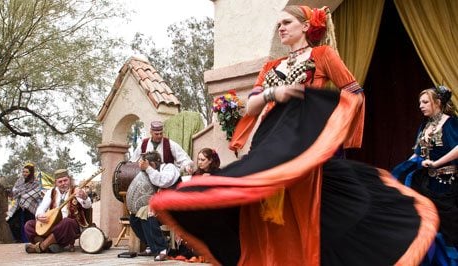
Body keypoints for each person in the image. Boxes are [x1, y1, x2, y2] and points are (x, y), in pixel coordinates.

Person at [149, 5, 438, 266]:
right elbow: (251, 105)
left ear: (305, 26)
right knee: (267, 210)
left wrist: (328, 117)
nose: (281, 28)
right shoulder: (270, 68)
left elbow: (354, 92)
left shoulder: (322, 55)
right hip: (272, 143)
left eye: (287, 22)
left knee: (319, 214)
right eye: (278, 25)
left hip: (308, 144)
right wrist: (275, 92)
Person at [393, 85, 457, 265]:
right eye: (420, 102)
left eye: (425, 102)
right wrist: (404, 167)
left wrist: (436, 163)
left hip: (446, 184)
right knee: (427, 225)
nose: (421, 105)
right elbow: (418, 153)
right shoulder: (425, 125)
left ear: (437, 102)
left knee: (448, 227)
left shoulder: (450, 122)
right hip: (426, 183)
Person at [126, 151, 180, 262]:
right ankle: (150, 245)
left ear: (156, 163)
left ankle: (162, 250)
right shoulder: (149, 171)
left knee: (148, 214)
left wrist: (148, 169)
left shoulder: (169, 168)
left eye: (149, 165)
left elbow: (162, 181)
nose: (147, 168)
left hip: (175, 206)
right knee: (134, 218)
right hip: (161, 206)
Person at [24, 169, 91, 253]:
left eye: (65, 180)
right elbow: (41, 208)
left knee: (67, 222)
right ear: (56, 183)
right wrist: (39, 216)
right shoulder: (51, 192)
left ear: (69, 180)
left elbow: (87, 205)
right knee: (29, 225)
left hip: (70, 226)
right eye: (60, 182)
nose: (63, 183)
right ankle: (52, 245)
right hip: (53, 225)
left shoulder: (77, 191)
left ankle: (42, 246)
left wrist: (84, 197)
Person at [6, 163, 42, 243]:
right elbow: (15, 191)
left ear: (31, 173)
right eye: (23, 172)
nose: (24, 174)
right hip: (19, 207)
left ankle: (30, 241)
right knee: (12, 222)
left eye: (26, 172)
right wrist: (19, 193)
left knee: (28, 224)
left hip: (30, 207)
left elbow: (34, 194)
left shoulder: (36, 183)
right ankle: (18, 240)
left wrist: (21, 194)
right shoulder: (20, 180)